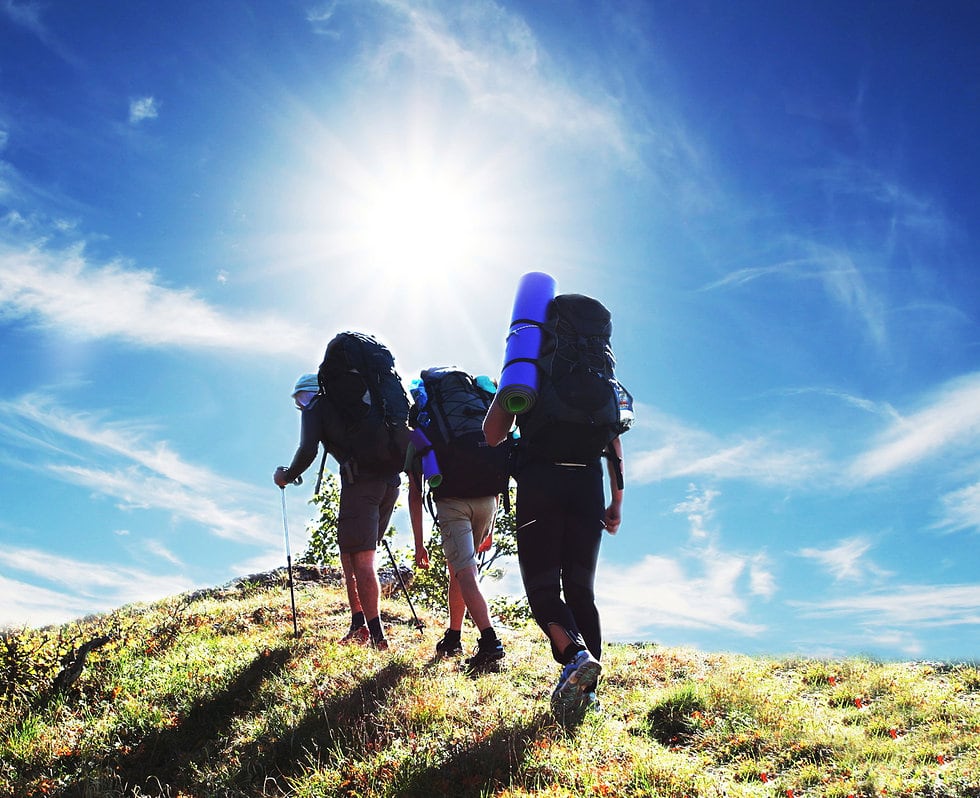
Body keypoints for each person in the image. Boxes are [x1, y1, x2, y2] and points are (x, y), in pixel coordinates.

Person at [483, 395, 624, 715]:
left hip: (541, 482)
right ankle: (587, 696)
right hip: (589, 483)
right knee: (581, 591)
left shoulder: (529, 361)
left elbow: (492, 434)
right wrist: (616, 501)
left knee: (542, 589)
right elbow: (613, 440)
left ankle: (576, 656)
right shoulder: (596, 362)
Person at [274, 373, 400, 650]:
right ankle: (359, 625)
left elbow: (307, 449)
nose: (302, 406)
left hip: (361, 484)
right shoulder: (360, 405)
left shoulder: (317, 406)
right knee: (350, 555)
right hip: (390, 483)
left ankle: (377, 638)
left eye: (300, 400)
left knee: (362, 560)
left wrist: (287, 475)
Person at [406, 431, 505, 674]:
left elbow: (415, 493)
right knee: (458, 571)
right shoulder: (472, 412)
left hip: (453, 503)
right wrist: (490, 526)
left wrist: (419, 544)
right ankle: (454, 635)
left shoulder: (422, 430)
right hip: (488, 501)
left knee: (465, 572)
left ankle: (490, 642)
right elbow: (496, 467)